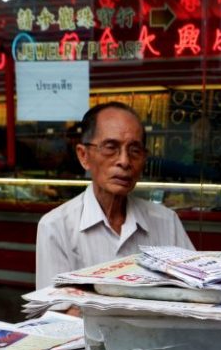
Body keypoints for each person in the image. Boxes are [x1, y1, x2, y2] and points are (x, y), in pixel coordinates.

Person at [35, 101, 195, 288]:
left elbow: (195, 290)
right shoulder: (56, 227)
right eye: (111, 147)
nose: (124, 161)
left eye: (134, 150)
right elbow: (57, 310)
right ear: (83, 156)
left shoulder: (167, 222)